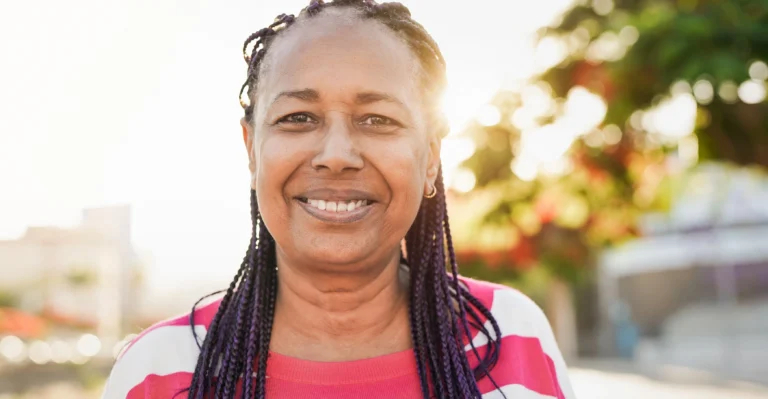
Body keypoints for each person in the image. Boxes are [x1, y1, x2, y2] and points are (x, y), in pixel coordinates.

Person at [101, 0, 575, 398]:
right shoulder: (159, 370)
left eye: (376, 119)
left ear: (430, 156)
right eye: (298, 118)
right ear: (251, 150)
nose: (336, 156)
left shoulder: (510, 337)